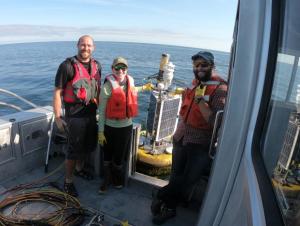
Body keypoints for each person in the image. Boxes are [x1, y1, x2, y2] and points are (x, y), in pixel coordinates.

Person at [151, 51, 228, 225]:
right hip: (180, 137)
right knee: (176, 175)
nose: (199, 68)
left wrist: (201, 100)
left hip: (200, 143)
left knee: (189, 180)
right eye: (196, 65)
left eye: (203, 65)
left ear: (212, 66)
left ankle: (161, 195)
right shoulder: (195, 83)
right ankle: (169, 208)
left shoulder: (221, 89)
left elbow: (215, 120)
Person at [53, 35, 101, 197]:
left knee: (87, 146)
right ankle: (68, 181)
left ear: (93, 47)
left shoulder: (97, 66)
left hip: (91, 115)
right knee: (73, 150)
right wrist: (58, 117)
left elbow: (97, 90)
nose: (85, 48)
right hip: (74, 116)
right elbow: (58, 92)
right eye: (83, 45)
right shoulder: (66, 66)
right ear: (77, 45)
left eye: (89, 45)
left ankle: (79, 170)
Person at [97, 56, 152, 194]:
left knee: (119, 157)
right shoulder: (107, 86)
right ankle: (106, 179)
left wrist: (145, 87)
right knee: (107, 156)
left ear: (127, 70)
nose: (120, 71)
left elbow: (133, 91)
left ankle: (116, 178)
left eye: (123, 68)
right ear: (112, 69)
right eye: (117, 68)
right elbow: (102, 112)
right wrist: (100, 131)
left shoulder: (130, 81)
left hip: (125, 128)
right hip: (109, 128)